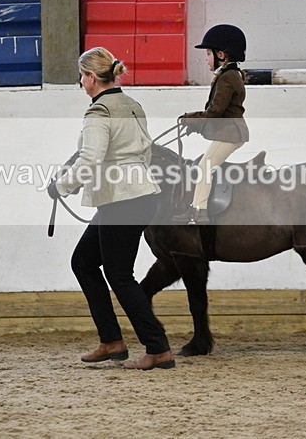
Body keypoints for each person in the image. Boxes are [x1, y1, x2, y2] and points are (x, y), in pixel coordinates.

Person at [47, 47, 175, 371]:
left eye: (81, 76)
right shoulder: (132, 105)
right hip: (139, 194)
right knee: (84, 262)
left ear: (91, 77)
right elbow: (144, 152)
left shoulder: (98, 113)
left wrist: (60, 186)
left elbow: (89, 161)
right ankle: (111, 341)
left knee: (119, 275)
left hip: (122, 200)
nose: (80, 82)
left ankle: (158, 349)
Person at [173, 24, 250, 225]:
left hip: (231, 134)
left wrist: (191, 119)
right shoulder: (231, 74)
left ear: (221, 55)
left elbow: (215, 112)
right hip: (230, 132)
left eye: (208, 53)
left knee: (204, 166)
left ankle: (200, 211)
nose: (206, 58)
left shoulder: (227, 78)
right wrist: (194, 123)